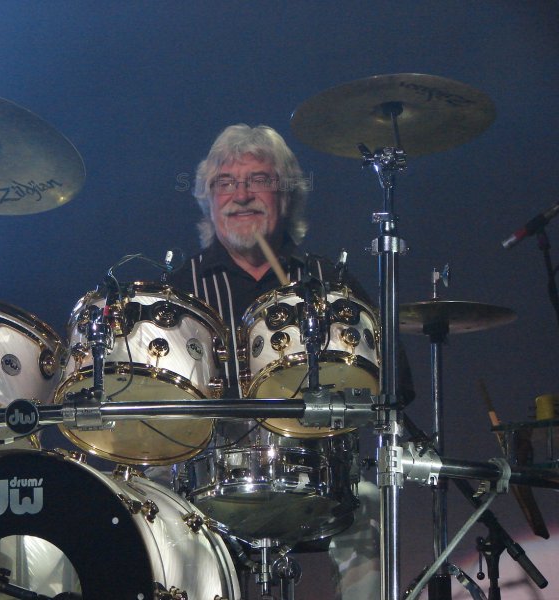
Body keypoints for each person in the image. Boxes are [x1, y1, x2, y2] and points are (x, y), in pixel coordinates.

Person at [166, 124, 387, 600]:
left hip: (316, 476)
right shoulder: (178, 293)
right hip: (204, 484)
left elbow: (389, 386)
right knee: (156, 516)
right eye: (225, 182)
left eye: (259, 180)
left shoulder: (329, 282)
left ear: (287, 196)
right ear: (208, 200)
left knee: (370, 509)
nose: (241, 194)